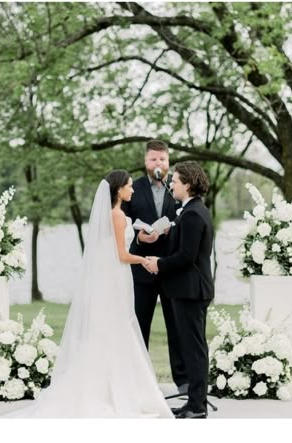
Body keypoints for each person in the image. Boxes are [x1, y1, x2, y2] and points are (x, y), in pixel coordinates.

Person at [3, 171, 173, 418]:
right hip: (116, 277)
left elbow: (111, 248)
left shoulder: (112, 216)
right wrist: (144, 260)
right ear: (118, 190)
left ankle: (105, 386)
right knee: (117, 329)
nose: (133, 190)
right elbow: (121, 255)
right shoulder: (118, 215)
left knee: (108, 330)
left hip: (111, 277)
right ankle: (112, 391)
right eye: (129, 186)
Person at [146, 161, 214, 419]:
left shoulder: (194, 214)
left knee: (195, 350)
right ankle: (194, 403)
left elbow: (187, 256)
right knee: (191, 348)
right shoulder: (188, 210)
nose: (171, 184)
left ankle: (198, 406)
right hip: (186, 290)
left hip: (191, 291)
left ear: (187, 184)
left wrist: (158, 264)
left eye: (175, 181)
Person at [122, 140, 188, 394]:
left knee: (177, 325)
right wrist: (139, 238)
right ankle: (138, 382)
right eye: (153, 159)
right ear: (145, 162)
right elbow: (124, 225)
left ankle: (183, 381)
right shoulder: (133, 188)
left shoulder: (179, 186)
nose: (158, 163)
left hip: (172, 267)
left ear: (168, 161)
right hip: (141, 268)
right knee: (139, 324)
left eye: (162, 159)